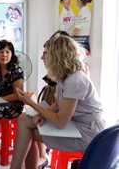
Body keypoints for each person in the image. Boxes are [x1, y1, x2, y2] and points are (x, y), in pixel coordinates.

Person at [10, 32, 105, 169]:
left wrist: (32, 104)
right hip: (77, 123)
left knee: (26, 128)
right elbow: (57, 104)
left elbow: (60, 122)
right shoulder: (65, 76)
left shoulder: (75, 80)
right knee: (24, 119)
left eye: (46, 53)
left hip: (88, 133)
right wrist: (41, 114)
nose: (43, 57)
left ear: (57, 56)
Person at [0, 40, 24, 119]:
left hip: (12, 105)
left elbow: (18, 95)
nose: (4, 55)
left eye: (7, 52)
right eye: (1, 52)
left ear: (12, 54)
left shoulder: (16, 70)